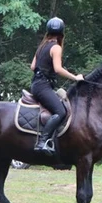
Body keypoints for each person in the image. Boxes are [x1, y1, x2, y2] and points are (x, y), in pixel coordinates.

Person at [29, 17, 84, 155]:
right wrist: (75, 77)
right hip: (43, 87)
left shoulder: (41, 47)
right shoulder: (56, 47)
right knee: (61, 111)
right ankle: (42, 142)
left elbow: (32, 67)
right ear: (62, 33)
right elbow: (58, 69)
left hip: (36, 84)